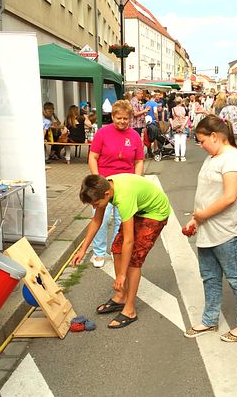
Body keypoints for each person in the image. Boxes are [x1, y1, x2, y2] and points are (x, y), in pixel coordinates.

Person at [183, 115, 237, 342]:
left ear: (215, 136)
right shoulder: (213, 157)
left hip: (226, 229)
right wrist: (196, 219)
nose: (201, 146)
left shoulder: (233, 159)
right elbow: (206, 194)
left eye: (202, 141)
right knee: (210, 277)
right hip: (207, 228)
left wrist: (202, 215)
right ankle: (209, 320)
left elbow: (229, 196)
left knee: (236, 278)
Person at [72, 173, 170, 329]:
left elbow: (129, 241)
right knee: (116, 249)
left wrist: (122, 275)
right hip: (138, 209)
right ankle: (121, 297)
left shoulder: (124, 197)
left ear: (107, 194)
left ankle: (130, 310)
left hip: (155, 213)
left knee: (134, 259)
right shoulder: (104, 185)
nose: (95, 207)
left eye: (96, 204)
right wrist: (83, 250)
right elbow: (97, 220)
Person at [86, 100, 144, 268]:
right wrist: (97, 180)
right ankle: (98, 252)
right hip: (104, 183)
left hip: (125, 186)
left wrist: (136, 180)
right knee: (101, 218)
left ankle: (115, 248)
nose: (122, 121)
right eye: (118, 118)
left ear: (130, 118)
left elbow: (139, 160)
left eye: (126, 118)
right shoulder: (102, 133)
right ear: (112, 116)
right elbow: (93, 157)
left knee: (122, 220)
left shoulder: (134, 136)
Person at [171, 97, 188, 162]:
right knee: (183, 142)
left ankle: (177, 156)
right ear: (181, 102)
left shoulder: (173, 109)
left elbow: (170, 118)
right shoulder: (184, 109)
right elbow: (187, 118)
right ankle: (182, 156)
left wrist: (173, 125)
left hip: (176, 127)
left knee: (177, 142)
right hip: (183, 126)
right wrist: (183, 125)